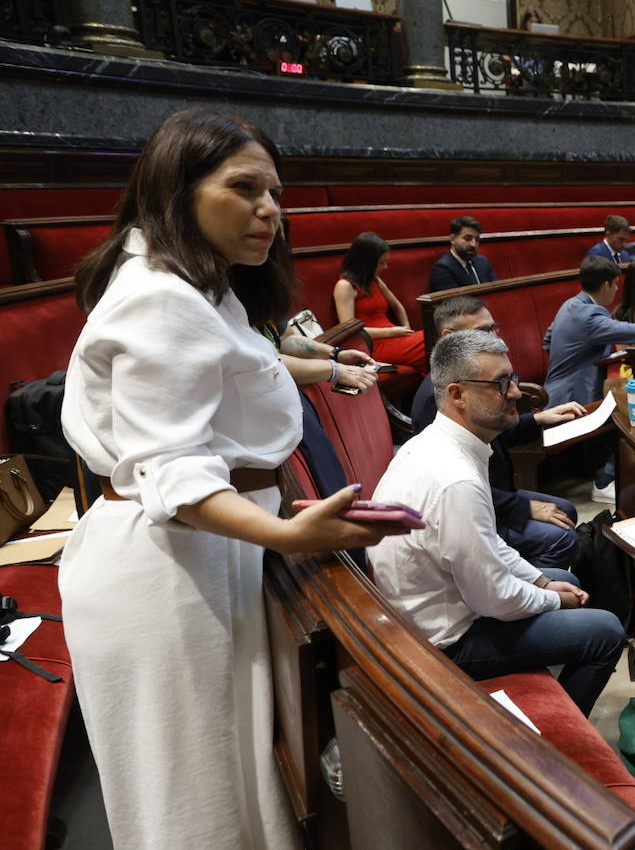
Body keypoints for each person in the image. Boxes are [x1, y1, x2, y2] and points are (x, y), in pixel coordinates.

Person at [60, 108, 402, 850]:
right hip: (167, 572)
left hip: (195, 552)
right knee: (195, 805)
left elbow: (241, 364)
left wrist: (330, 368)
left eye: (275, 192)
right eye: (244, 187)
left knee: (226, 789)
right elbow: (175, 470)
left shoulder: (193, 282)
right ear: (178, 191)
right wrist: (285, 530)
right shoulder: (161, 295)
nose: (269, 210)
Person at [372, 330, 626, 716]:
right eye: (500, 384)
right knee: (607, 631)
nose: (516, 393)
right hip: (442, 643)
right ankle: (549, 742)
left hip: (435, 608)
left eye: (512, 379)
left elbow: (487, 542)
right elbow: (492, 597)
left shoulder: (436, 444)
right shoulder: (456, 479)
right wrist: (554, 599)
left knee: (566, 580)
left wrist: (542, 582)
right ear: (457, 395)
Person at [411, 295, 587, 568]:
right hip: (474, 509)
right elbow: (459, 488)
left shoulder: (474, 379)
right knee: (559, 537)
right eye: (482, 331)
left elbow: (497, 435)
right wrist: (524, 508)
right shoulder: (433, 401)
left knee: (567, 509)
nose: (493, 336)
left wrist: (539, 418)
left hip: (494, 493)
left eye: (493, 327)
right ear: (449, 336)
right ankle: (534, 593)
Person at [543, 256, 635, 408]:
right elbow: (632, 331)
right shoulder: (590, 316)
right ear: (606, 285)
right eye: (616, 284)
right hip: (573, 398)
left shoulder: (569, 304)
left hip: (554, 392)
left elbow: (547, 341)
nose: (617, 289)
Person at [333, 232, 428, 374]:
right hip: (373, 344)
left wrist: (406, 328)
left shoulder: (374, 280)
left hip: (394, 336)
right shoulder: (345, 286)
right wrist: (391, 332)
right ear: (366, 263)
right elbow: (349, 331)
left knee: (438, 339)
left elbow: (397, 306)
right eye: (382, 262)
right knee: (432, 342)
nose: (386, 267)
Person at [430, 215, 496, 291]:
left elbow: (496, 292)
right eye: (467, 238)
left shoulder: (483, 261)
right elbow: (455, 302)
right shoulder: (442, 268)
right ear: (453, 239)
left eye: (477, 239)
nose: (473, 244)